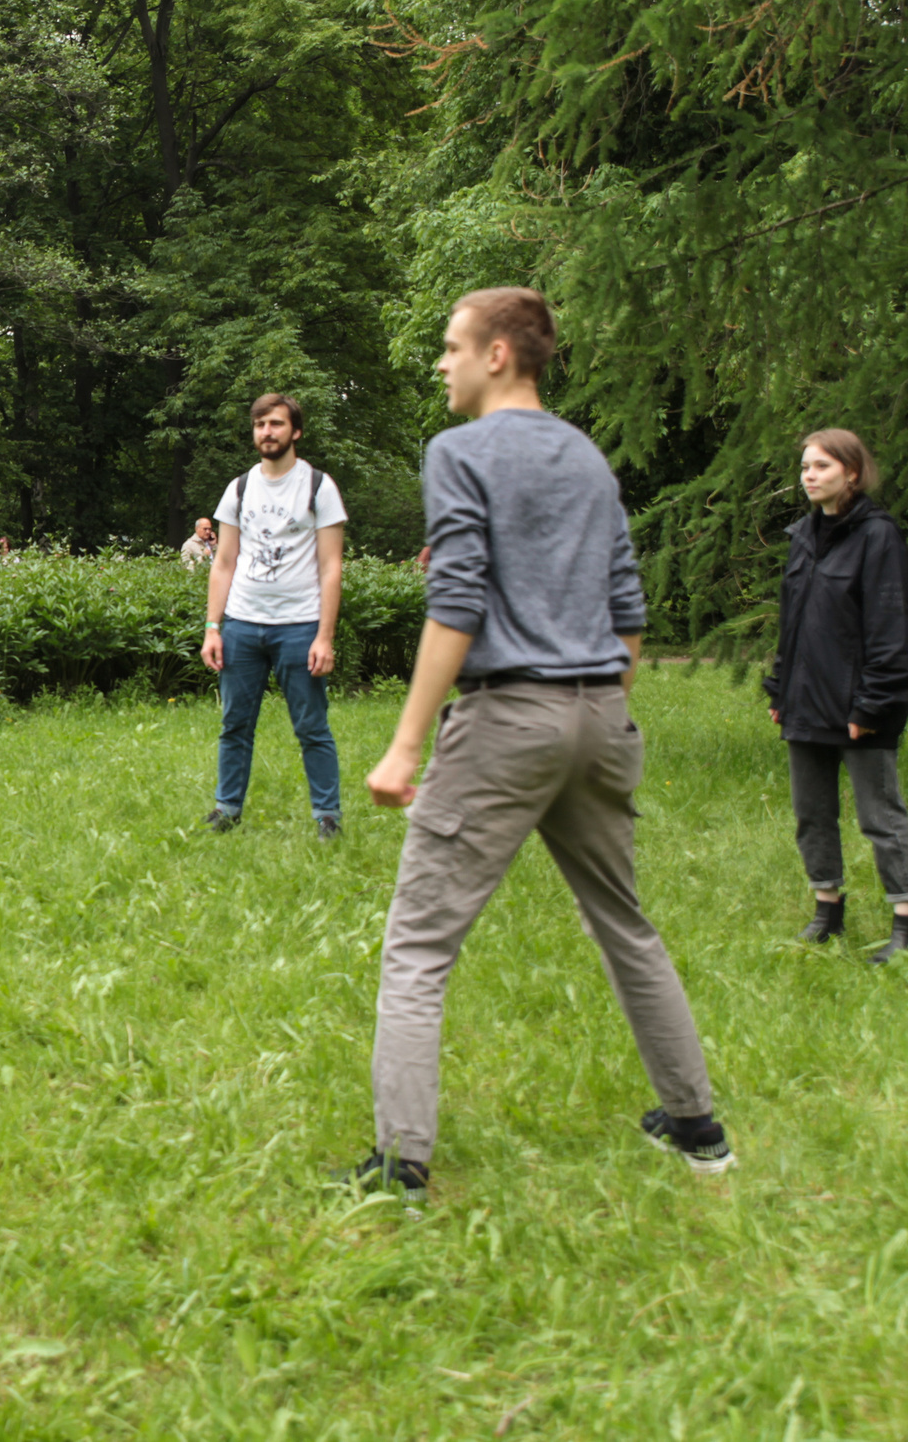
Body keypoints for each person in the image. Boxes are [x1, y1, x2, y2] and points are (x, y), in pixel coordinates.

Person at [351, 287, 729, 1204]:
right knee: (626, 925)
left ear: (499, 354)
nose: (440, 363)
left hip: (505, 721)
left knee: (418, 948)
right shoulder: (588, 457)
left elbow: (458, 602)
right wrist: (596, 711)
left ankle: (401, 1167)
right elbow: (629, 610)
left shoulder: (460, 451)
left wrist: (406, 746)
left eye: (450, 347)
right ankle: (698, 1130)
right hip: (601, 713)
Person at [767, 429, 908, 963]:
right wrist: (779, 688)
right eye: (805, 467)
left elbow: (891, 630)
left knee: (879, 818)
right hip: (805, 702)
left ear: (851, 474)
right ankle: (827, 912)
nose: (808, 475)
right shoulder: (803, 537)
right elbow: (793, 624)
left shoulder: (879, 537)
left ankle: (907, 927)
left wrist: (871, 706)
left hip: (860, 707)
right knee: (811, 814)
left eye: (821, 467)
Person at [198, 394, 348, 839]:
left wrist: (325, 636)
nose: (267, 432)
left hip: (300, 627)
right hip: (242, 625)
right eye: (260, 424)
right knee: (235, 724)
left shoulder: (319, 487)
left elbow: (330, 567)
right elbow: (223, 563)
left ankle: (328, 816)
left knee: (311, 726)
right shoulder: (239, 488)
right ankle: (227, 809)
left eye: (277, 424)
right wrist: (213, 628)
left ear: (295, 431)